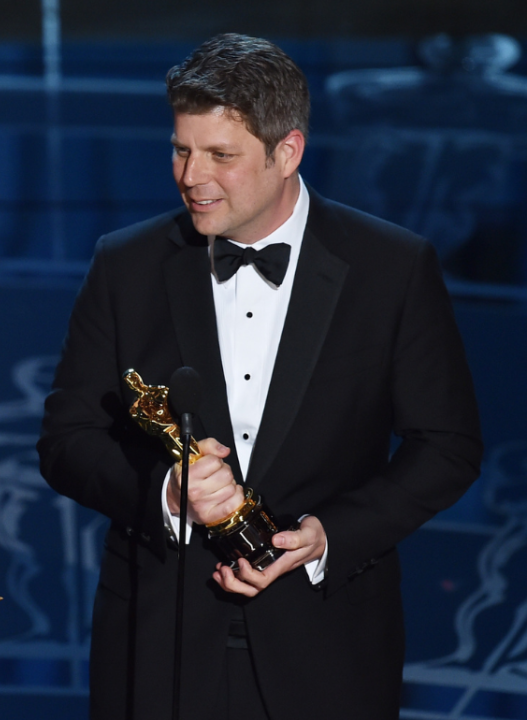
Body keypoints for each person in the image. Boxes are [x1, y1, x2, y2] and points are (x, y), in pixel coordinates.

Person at [37, 34, 483, 720]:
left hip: (328, 648)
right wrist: (164, 494)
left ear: (288, 152)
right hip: (160, 646)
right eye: (182, 150)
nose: (191, 176)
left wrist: (331, 533)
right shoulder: (124, 265)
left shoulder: (392, 267)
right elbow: (68, 438)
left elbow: (446, 446)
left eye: (221, 156)